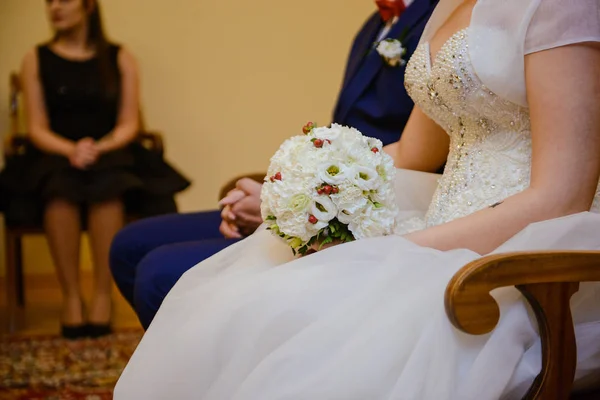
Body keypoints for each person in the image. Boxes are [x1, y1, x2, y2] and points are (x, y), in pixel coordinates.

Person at [114, 0, 600, 397]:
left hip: (520, 257)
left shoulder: (562, 5)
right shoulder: (450, 6)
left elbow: (561, 197)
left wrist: (403, 250)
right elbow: (411, 152)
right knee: (246, 297)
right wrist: (302, 191)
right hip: (435, 224)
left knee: (313, 330)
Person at [110, 0, 440, 330]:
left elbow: (414, 156)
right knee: (130, 246)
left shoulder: (438, 19)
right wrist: (281, 185)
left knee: (158, 271)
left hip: (373, 208)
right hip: (326, 190)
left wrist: (279, 205)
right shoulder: (374, 23)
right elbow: (343, 134)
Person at [0, 0, 190, 339]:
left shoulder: (119, 57)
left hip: (109, 149)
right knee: (59, 190)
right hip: (55, 152)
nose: (54, 8)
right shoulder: (36, 58)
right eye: (49, 2)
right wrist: (71, 149)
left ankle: (103, 296)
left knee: (110, 188)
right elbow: (37, 127)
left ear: (88, 6)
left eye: (64, 0)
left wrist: (98, 147)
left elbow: (129, 122)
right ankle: (71, 297)